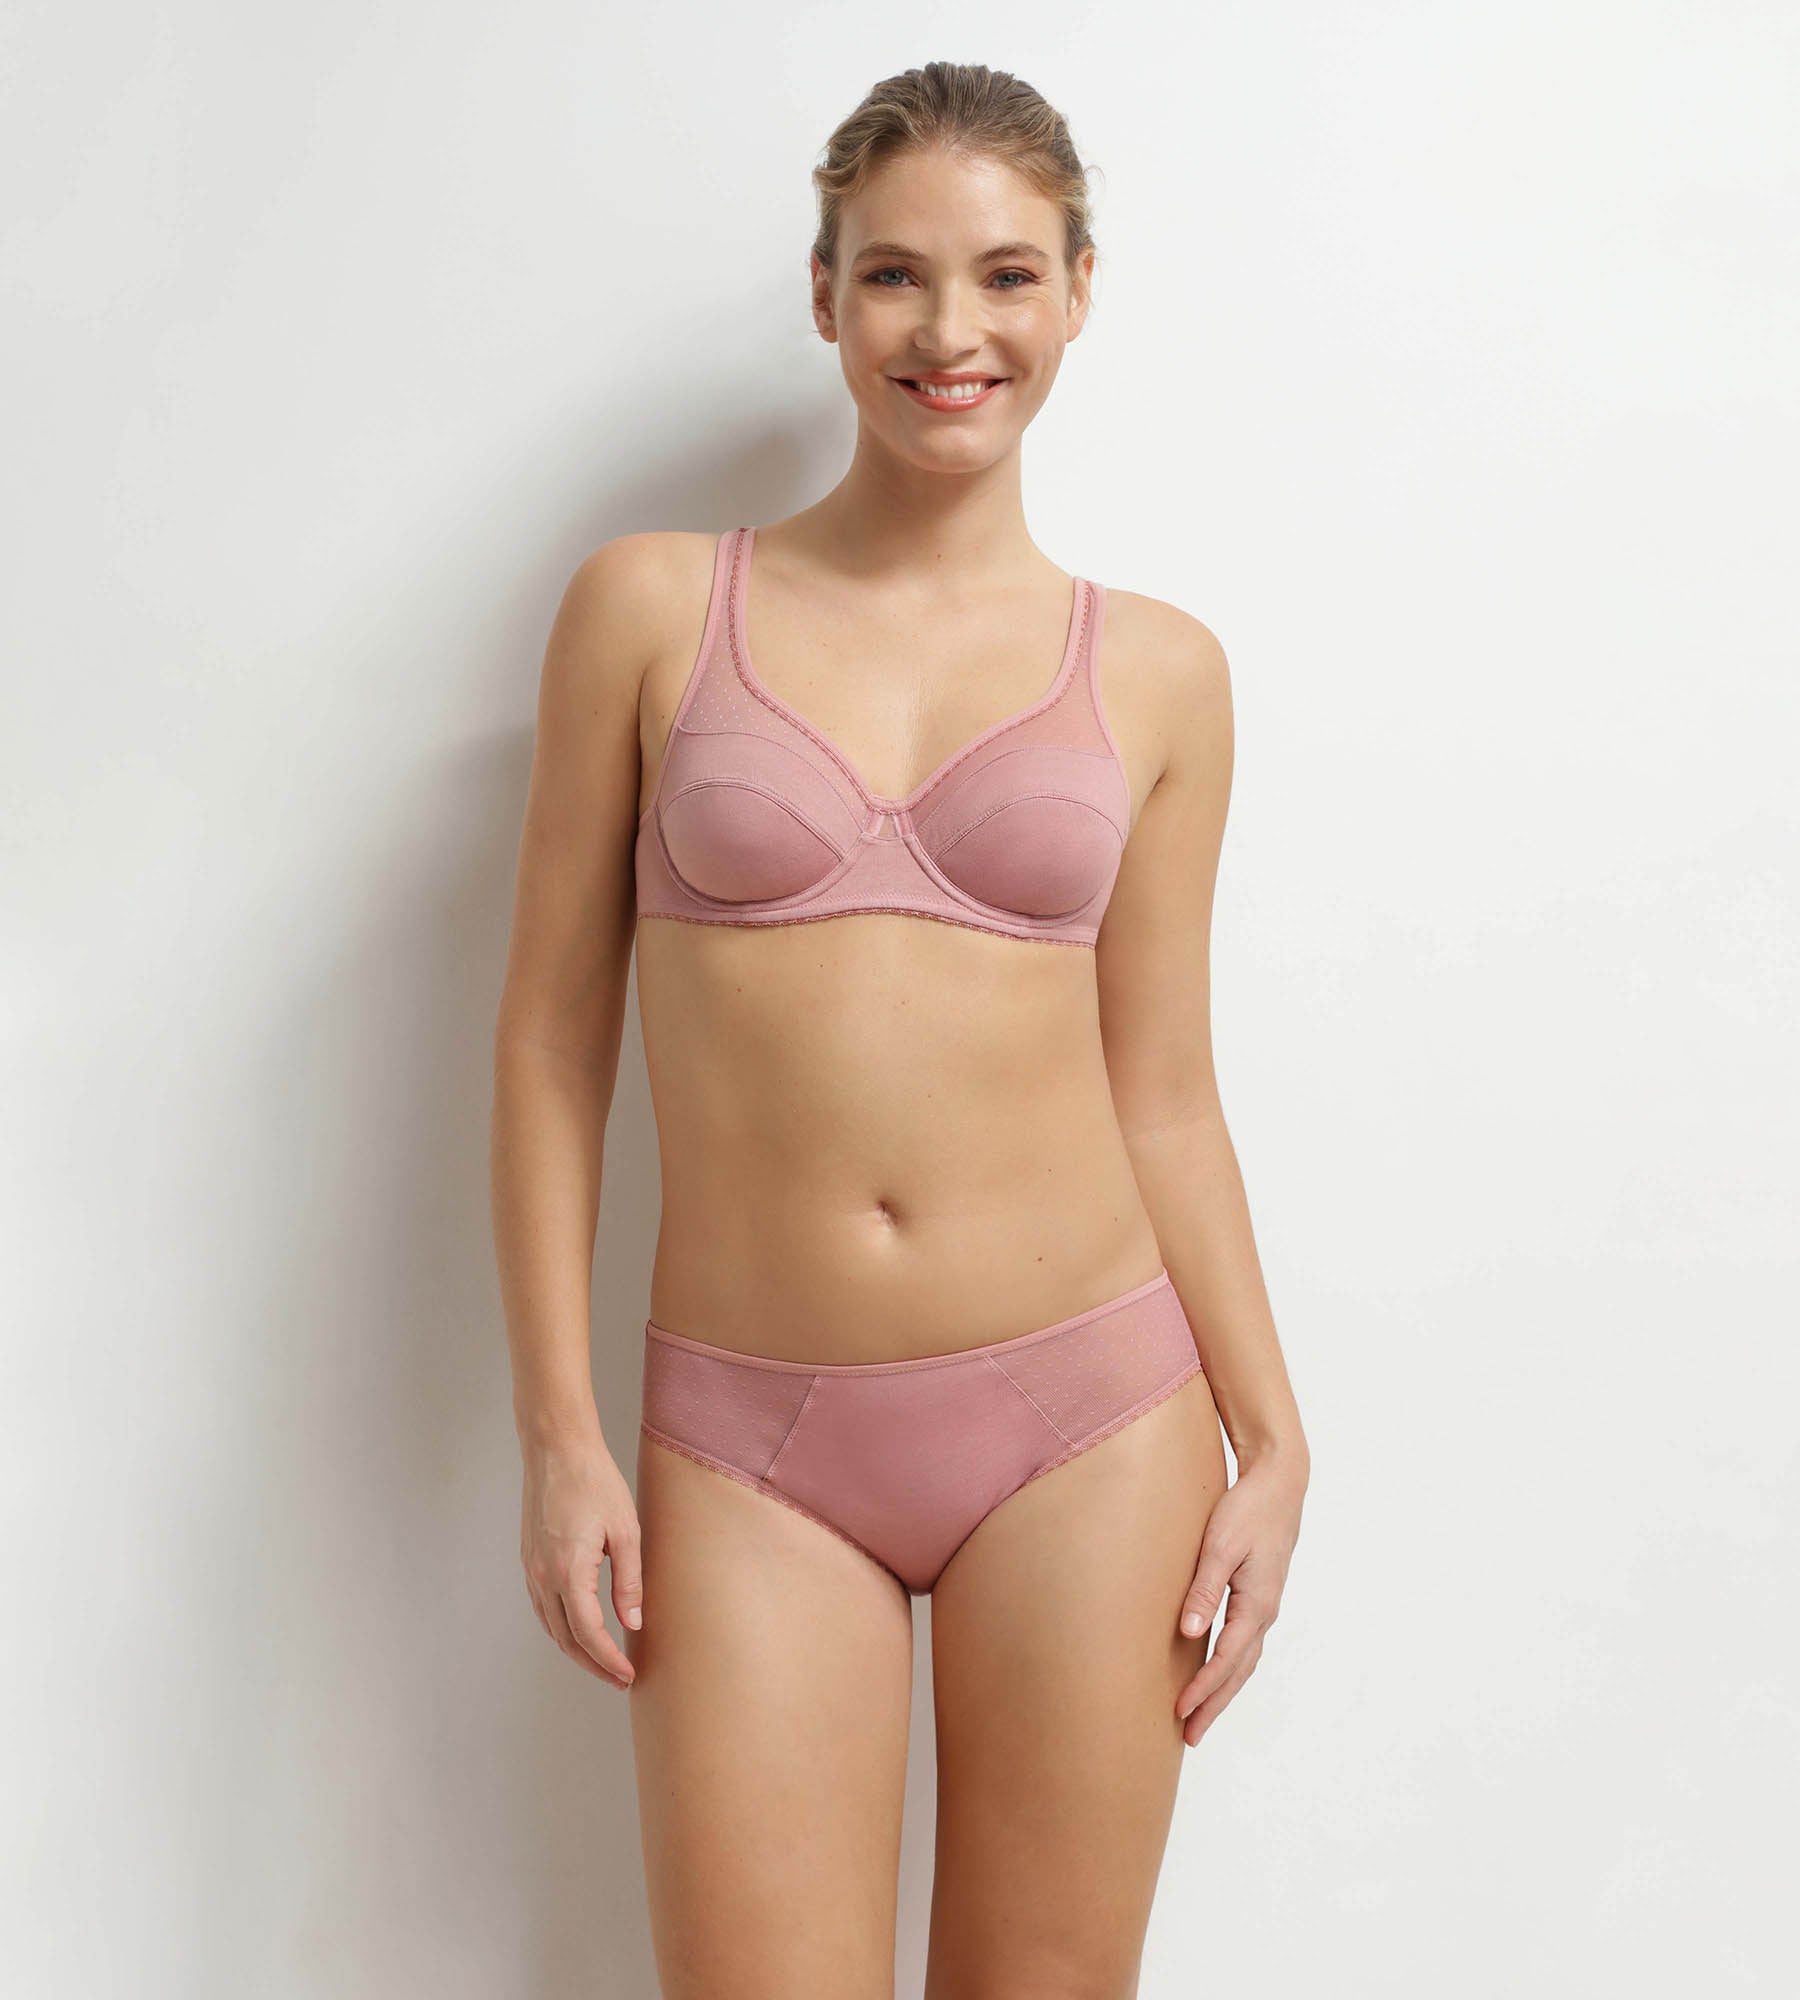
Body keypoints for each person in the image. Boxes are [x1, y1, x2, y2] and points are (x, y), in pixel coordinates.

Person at [490, 60, 1310, 1999]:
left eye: (1009, 274)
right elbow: (545, 1045)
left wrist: (1274, 1438)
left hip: (1092, 1426)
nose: (954, 332)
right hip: (748, 1443)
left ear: (1081, 290)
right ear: (824, 291)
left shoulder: (1163, 671)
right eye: (895, 275)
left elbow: (1165, 1094)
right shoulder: (648, 611)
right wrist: (559, 1437)